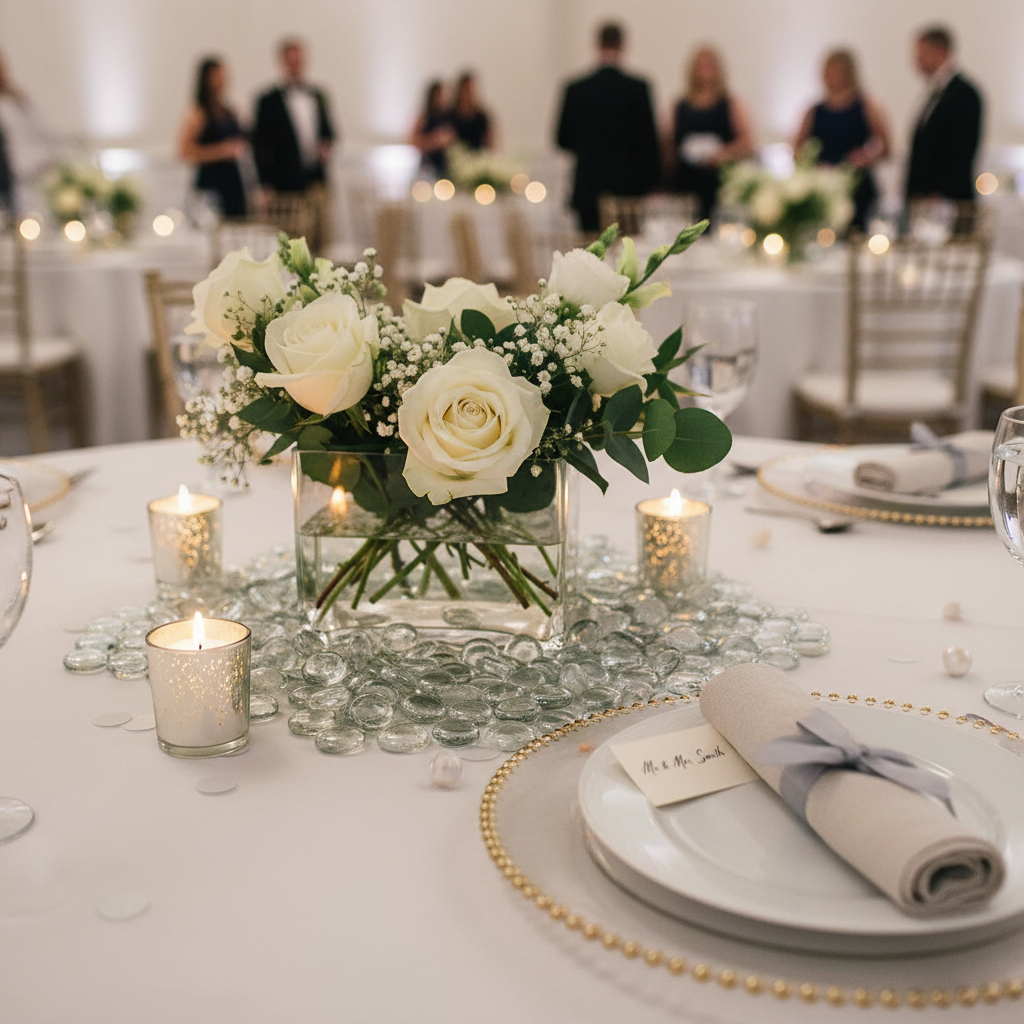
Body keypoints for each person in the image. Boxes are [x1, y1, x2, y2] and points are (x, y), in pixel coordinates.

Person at [555, 22, 660, 233]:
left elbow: (562, 138)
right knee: (627, 255)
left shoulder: (576, 89)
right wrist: (652, 183)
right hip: (627, 192)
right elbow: (648, 143)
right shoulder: (638, 89)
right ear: (623, 45)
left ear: (597, 45)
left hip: (589, 189)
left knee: (591, 254)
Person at [794, 49, 891, 233]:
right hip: (823, 184)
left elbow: (885, 146)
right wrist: (813, 167)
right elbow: (797, 148)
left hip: (856, 184)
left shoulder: (867, 106)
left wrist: (865, 157)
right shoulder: (814, 110)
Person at [253, 38, 337, 251]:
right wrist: (264, 183)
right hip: (285, 184)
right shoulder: (267, 101)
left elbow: (329, 133)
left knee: (319, 241)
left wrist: (325, 147)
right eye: (291, 61)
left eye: (299, 60)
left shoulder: (318, 95)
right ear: (282, 62)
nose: (295, 65)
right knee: (289, 242)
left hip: (316, 181)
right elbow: (260, 144)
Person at [665, 46, 753, 222]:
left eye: (709, 66)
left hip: (719, 183)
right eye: (700, 66)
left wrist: (723, 154)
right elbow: (668, 143)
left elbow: (747, 142)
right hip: (686, 182)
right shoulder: (680, 105)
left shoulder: (730, 103)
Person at [905, 25, 983, 208]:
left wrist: (940, 195)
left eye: (920, 53)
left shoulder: (964, 94)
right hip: (924, 201)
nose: (916, 60)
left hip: (946, 203)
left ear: (939, 51)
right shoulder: (935, 93)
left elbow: (963, 151)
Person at [178, 57, 248, 218]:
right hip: (211, 183)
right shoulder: (198, 113)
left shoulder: (229, 110)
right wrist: (222, 151)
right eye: (217, 75)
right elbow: (184, 151)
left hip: (233, 181)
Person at [409, 80, 455, 179]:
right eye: (438, 95)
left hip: (445, 166)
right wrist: (434, 141)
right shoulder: (424, 117)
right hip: (427, 167)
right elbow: (412, 140)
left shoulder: (449, 117)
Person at [450, 72, 494, 151]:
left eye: (472, 89)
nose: (470, 93)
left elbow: (490, 139)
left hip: (478, 158)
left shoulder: (481, 115)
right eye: (467, 90)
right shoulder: (450, 115)